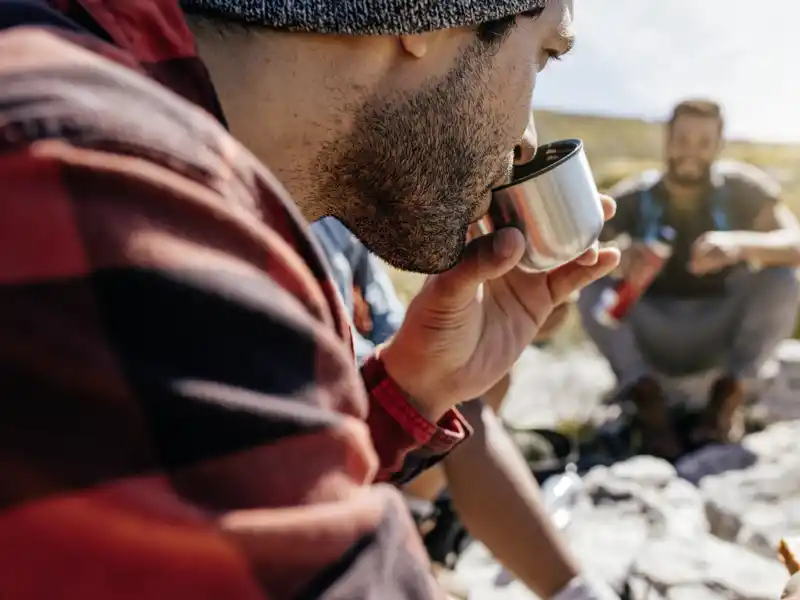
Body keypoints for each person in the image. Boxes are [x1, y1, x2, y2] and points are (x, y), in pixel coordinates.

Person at [0, 0, 621, 598]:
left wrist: (414, 392)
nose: (526, 144)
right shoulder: (100, 183)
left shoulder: (158, 148)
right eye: (542, 56)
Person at [312, 216, 593, 600]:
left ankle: (411, 527)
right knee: (463, 399)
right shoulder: (276, 222)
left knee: (482, 377)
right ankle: (574, 593)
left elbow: (389, 331)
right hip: (324, 448)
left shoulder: (335, 223)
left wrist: (480, 322)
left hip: (370, 435)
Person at [578, 99, 800, 460]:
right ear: (667, 140)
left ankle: (726, 401)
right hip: (654, 330)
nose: (691, 152)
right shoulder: (637, 196)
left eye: (703, 142)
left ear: (718, 146)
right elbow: (578, 243)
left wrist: (739, 245)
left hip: (719, 328)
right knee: (591, 284)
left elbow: (794, 244)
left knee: (783, 280)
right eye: (682, 139)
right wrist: (619, 253)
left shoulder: (742, 189)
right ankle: (649, 409)